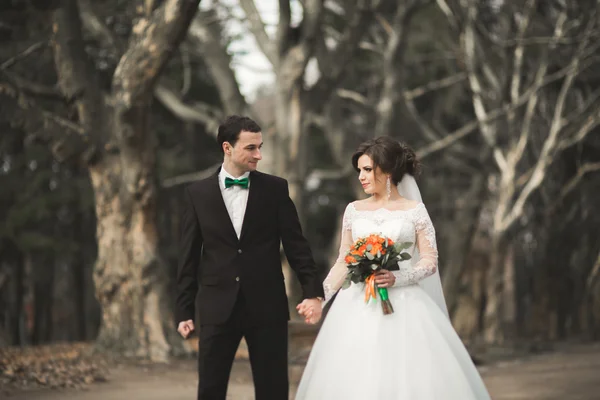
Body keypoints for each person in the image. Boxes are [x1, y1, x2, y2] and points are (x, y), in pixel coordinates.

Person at [296, 136, 491, 399]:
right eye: (359, 171)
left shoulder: (415, 211)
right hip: (356, 305)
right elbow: (344, 260)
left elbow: (430, 261)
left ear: (387, 171)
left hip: (407, 306)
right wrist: (320, 297)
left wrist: (398, 277)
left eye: (367, 170)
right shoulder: (354, 210)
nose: (361, 177)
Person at [175, 115, 324, 400]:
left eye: (260, 146)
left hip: (267, 305)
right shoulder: (197, 194)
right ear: (227, 148)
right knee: (210, 388)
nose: (259, 154)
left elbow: (297, 246)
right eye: (251, 148)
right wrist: (183, 309)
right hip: (217, 306)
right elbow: (189, 256)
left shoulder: (276, 189)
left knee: (273, 389)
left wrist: (312, 292)